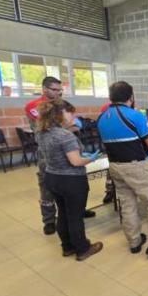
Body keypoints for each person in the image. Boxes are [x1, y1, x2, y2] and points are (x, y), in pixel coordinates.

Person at [96, 81, 148, 258]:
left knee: (128, 203)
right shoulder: (135, 116)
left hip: (115, 166)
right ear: (130, 97)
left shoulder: (101, 118)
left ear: (111, 97)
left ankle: (134, 241)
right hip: (137, 166)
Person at [25, 77, 96, 235]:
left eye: (60, 90)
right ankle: (49, 220)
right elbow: (48, 130)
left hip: (69, 147)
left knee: (76, 182)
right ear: (44, 89)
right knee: (47, 188)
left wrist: (70, 127)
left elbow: (71, 126)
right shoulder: (35, 106)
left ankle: (78, 210)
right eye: (54, 90)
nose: (58, 93)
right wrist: (68, 127)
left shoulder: (62, 105)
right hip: (49, 153)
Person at [37, 99, 103, 261]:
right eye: (70, 113)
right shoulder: (65, 136)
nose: (73, 116)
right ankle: (82, 249)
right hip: (71, 180)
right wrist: (90, 158)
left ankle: (67, 247)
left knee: (63, 213)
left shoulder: (42, 132)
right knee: (75, 216)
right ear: (60, 114)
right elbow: (76, 162)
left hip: (52, 177)